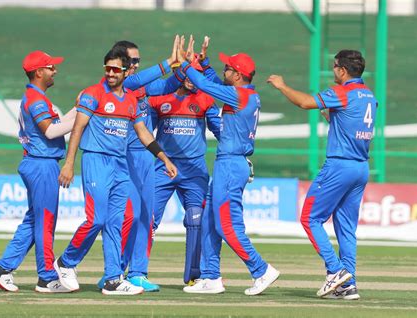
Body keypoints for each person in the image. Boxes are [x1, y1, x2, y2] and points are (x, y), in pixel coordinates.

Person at [54, 48, 177, 296]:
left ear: (125, 71)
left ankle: (112, 279)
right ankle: (66, 262)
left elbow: (143, 133)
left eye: (115, 69)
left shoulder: (131, 101)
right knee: (96, 220)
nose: (110, 73)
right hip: (96, 162)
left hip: (120, 166)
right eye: (107, 68)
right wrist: (68, 164)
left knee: (115, 223)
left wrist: (164, 157)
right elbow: (77, 130)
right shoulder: (92, 94)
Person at [267, 50, 376, 300]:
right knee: (346, 228)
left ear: (342, 70)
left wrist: (282, 86)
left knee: (309, 218)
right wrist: (332, 118)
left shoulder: (342, 92)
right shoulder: (368, 95)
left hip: (339, 166)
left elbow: (305, 102)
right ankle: (348, 285)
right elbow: (352, 123)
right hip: (360, 167)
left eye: (334, 66)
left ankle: (336, 272)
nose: (333, 69)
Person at [178, 36, 280, 296]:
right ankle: (211, 277)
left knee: (226, 225)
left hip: (231, 166)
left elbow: (203, 84)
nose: (224, 71)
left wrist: (187, 64)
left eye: (227, 68)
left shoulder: (238, 96)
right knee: (211, 222)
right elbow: (212, 83)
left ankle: (261, 269)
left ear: (237, 75)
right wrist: (205, 63)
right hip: (230, 164)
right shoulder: (246, 94)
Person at [95, 38, 186, 292]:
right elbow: (136, 80)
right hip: (127, 157)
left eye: (137, 61)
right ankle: (114, 272)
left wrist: (184, 67)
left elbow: (168, 84)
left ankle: (137, 272)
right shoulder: (121, 86)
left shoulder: (142, 87)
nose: (134, 66)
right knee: (129, 216)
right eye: (131, 61)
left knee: (147, 216)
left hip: (148, 157)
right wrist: (168, 61)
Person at [0, 50, 76, 293]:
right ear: (39, 72)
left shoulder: (35, 97)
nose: (54, 70)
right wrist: (82, 115)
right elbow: (50, 131)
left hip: (37, 162)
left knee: (35, 219)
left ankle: (4, 268)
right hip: (41, 164)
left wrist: (79, 109)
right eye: (50, 67)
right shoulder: (36, 100)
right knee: (45, 221)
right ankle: (46, 277)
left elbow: (56, 126)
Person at [149, 56, 221, 285]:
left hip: (194, 170)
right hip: (163, 167)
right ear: (181, 74)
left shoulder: (206, 99)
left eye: (197, 74)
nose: (193, 79)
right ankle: (134, 272)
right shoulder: (160, 98)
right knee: (147, 219)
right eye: (190, 74)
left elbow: (221, 132)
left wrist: (237, 153)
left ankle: (194, 276)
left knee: (196, 220)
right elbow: (143, 132)